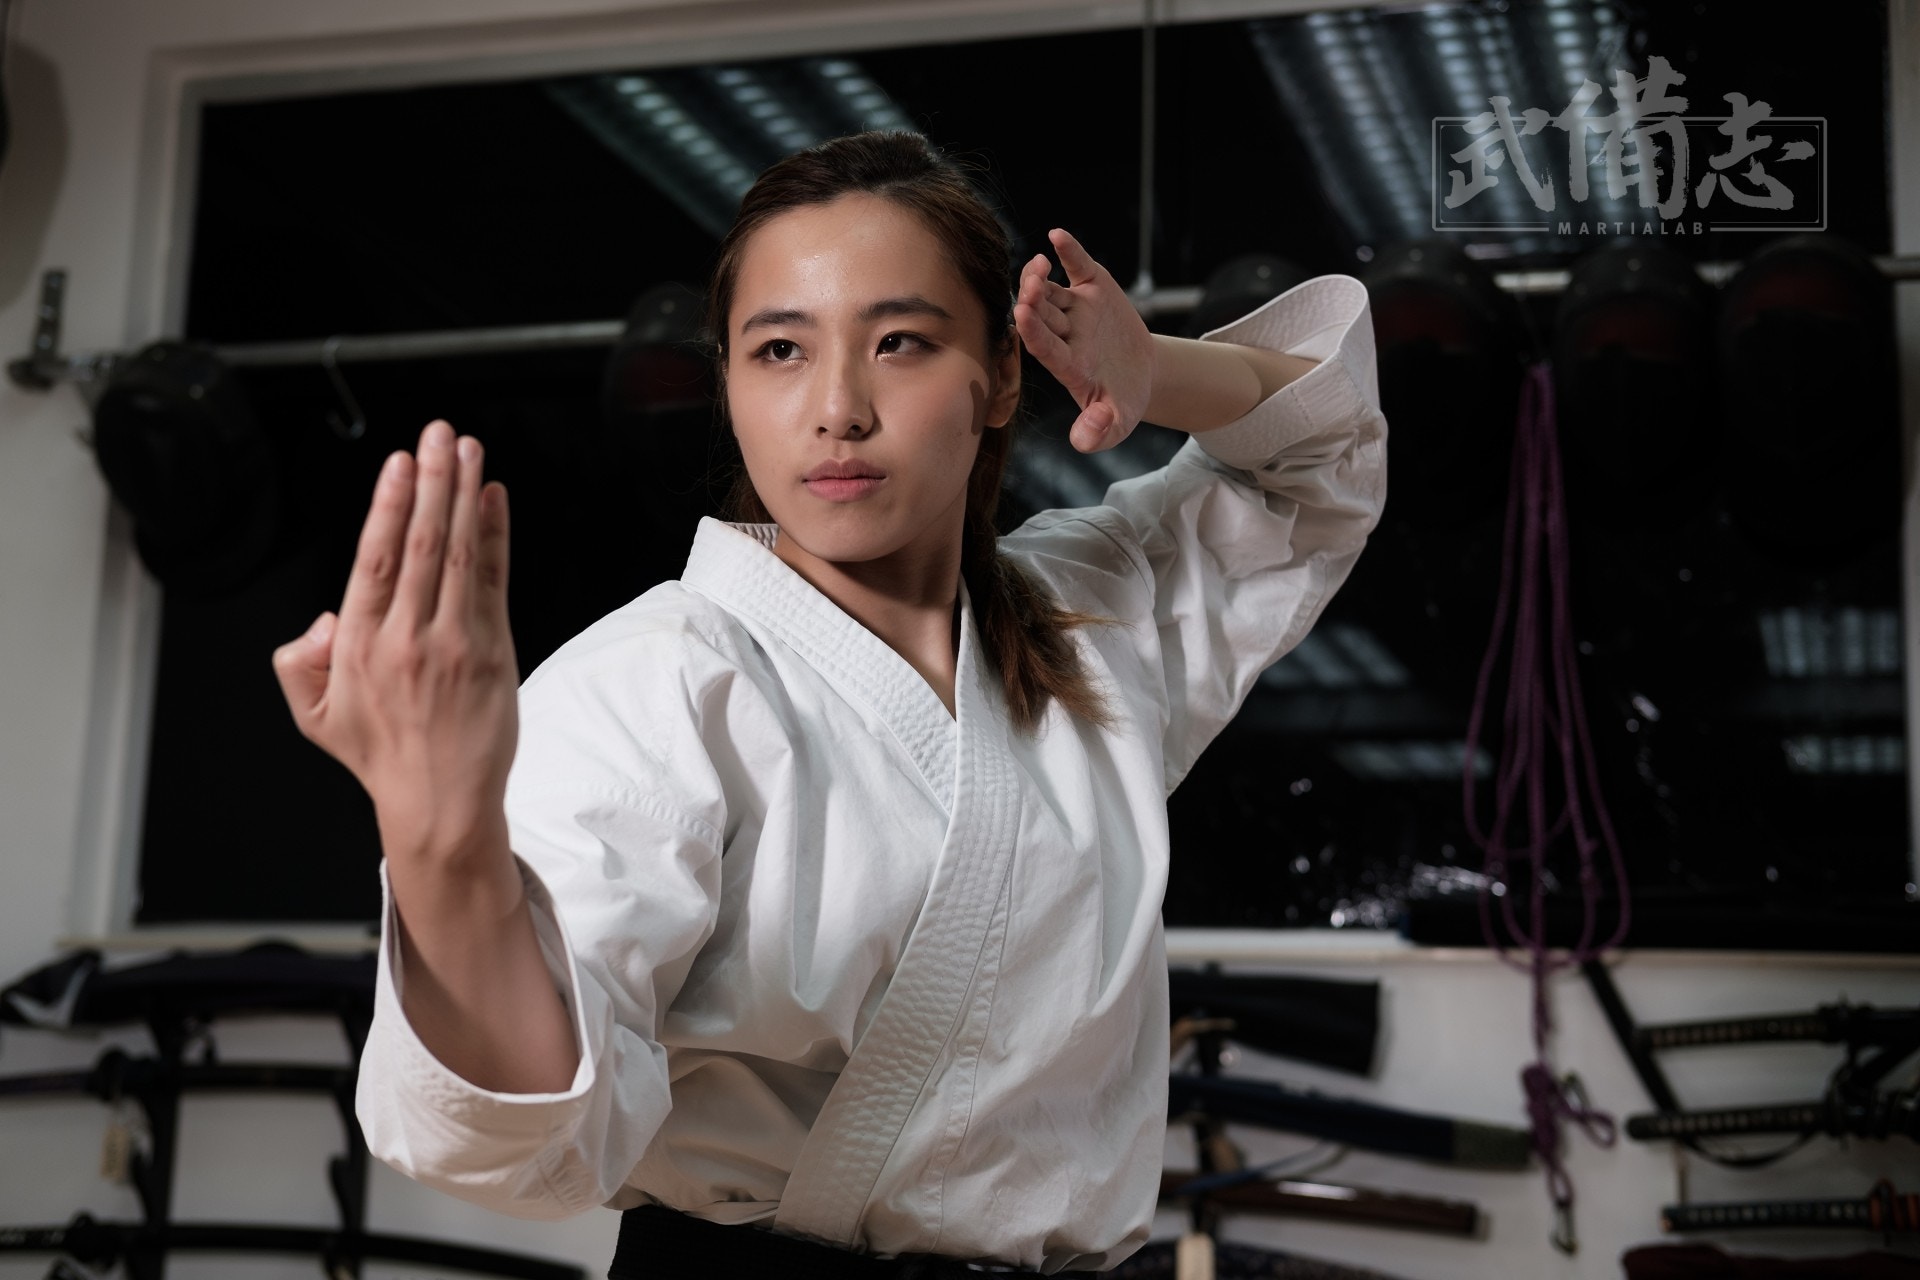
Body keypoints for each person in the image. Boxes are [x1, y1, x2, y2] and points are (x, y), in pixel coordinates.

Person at [271, 130, 1386, 1277]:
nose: (838, 407)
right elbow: (519, 1132)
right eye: (780, 350)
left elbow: (1320, 460)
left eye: (900, 341)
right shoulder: (660, 679)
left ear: (1001, 377)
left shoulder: (1086, 620)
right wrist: (446, 845)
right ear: (730, 385)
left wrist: (1155, 372)